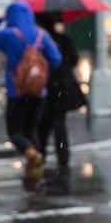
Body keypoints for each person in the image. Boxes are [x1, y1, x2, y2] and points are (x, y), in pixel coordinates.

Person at [0, 0, 61, 181]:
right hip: (38, 93)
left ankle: (32, 156)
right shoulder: (41, 35)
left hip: (16, 91)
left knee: (15, 132)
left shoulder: (9, 35)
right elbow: (56, 59)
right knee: (32, 131)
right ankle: (35, 168)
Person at [35, 13, 82, 170]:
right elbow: (74, 59)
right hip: (62, 85)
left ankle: (40, 154)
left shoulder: (38, 41)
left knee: (44, 123)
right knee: (58, 121)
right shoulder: (63, 39)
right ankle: (63, 156)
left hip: (44, 86)